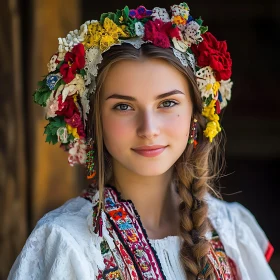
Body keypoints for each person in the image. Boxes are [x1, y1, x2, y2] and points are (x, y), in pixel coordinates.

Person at [8, 3, 276, 280]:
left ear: (195, 114)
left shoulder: (231, 229)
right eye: (123, 107)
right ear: (93, 121)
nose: (149, 129)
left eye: (168, 103)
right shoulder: (67, 242)